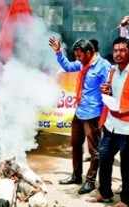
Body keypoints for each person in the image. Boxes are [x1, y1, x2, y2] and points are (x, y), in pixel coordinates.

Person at [49, 37, 110, 194]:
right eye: (76, 56)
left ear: (89, 52)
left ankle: (90, 181)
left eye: (80, 56)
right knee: (75, 144)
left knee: (94, 150)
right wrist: (58, 52)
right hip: (80, 111)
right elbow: (68, 67)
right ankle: (76, 175)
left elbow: (109, 92)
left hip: (94, 113)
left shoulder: (103, 66)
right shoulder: (82, 64)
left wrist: (104, 116)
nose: (78, 60)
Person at [87, 37, 129, 207]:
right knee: (104, 158)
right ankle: (105, 192)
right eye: (115, 50)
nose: (118, 53)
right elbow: (111, 94)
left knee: (127, 166)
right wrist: (106, 91)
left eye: (123, 50)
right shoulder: (112, 71)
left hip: (127, 127)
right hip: (111, 125)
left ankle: (126, 200)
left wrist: (126, 111)